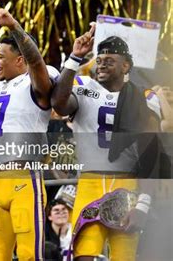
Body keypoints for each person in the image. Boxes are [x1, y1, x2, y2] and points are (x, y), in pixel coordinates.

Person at [51, 27, 162, 261]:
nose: (101, 64)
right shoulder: (83, 86)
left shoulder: (145, 97)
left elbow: (151, 153)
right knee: (84, 255)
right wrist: (74, 59)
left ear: (126, 66)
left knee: (124, 256)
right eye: (99, 60)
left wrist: (143, 204)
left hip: (127, 184)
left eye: (109, 60)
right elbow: (59, 104)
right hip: (90, 182)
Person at [0, 2, 59, 261]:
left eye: (1, 57)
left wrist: (14, 27)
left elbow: (38, 64)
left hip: (24, 177)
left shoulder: (34, 80)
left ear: (20, 60)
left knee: (31, 255)